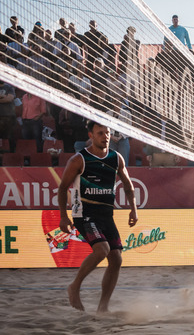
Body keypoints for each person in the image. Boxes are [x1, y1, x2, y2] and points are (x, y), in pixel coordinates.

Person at [58, 121, 138, 312]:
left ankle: (103, 306)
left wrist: (133, 209)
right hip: (84, 214)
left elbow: (128, 185)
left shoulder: (116, 157)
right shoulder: (79, 159)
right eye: (100, 133)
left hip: (106, 215)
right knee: (102, 250)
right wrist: (63, 216)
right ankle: (75, 286)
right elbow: (62, 188)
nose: (105, 136)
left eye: (107, 133)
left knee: (117, 259)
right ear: (91, 136)